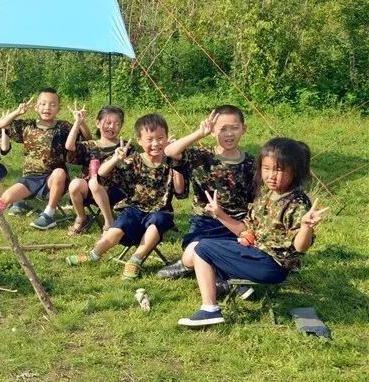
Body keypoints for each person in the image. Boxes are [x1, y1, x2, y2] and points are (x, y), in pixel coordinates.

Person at [179, 138, 328, 327]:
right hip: (256, 253)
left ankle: (210, 309)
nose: (271, 175)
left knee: (204, 248)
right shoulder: (266, 194)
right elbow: (245, 229)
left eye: (279, 170)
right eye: (266, 168)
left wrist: (306, 226)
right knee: (200, 248)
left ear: (295, 171)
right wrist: (220, 214)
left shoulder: (297, 204)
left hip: (272, 266)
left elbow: (300, 247)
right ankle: (227, 288)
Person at [65, 114, 185, 279]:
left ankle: (136, 259)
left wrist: (175, 161)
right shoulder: (134, 160)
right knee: (120, 225)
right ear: (139, 140)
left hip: (161, 210)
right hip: (134, 207)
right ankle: (94, 254)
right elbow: (101, 175)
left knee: (157, 221)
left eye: (160, 138)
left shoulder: (171, 161)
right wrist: (115, 159)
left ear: (166, 138)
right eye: (150, 139)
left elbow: (180, 191)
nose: (155, 144)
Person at [158, 106, 256, 280]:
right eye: (222, 129)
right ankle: (190, 264)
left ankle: (214, 272)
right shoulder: (201, 156)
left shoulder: (251, 163)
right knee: (192, 253)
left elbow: (256, 198)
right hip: (205, 222)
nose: (229, 134)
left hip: (235, 223)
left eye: (234, 128)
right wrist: (199, 133)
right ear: (212, 131)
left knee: (241, 249)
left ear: (244, 129)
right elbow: (169, 151)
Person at [0, 88, 85, 229]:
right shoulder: (27, 125)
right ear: (36, 107)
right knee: (4, 199)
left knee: (59, 172)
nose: (47, 108)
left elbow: (87, 138)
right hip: (30, 178)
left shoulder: (63, 127)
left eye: (52, 105)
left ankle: (49, 214)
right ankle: (19, 203)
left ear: (58, 109)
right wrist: (18, 112)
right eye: (43, 104)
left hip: (53, 179)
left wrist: (80, 122)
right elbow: (1, 124)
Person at [64, 105, 126, 235]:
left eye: (117, 124)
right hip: (90, 190)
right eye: (108, 122)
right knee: (75, 184)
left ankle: (109, 223)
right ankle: (81, 218)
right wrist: (78, 122)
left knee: (95, 182)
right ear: (98, 123)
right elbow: (69, 146)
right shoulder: (91, 145)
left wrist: (123, 158)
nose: (112, 127)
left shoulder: (124, 146)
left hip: (116, 190)